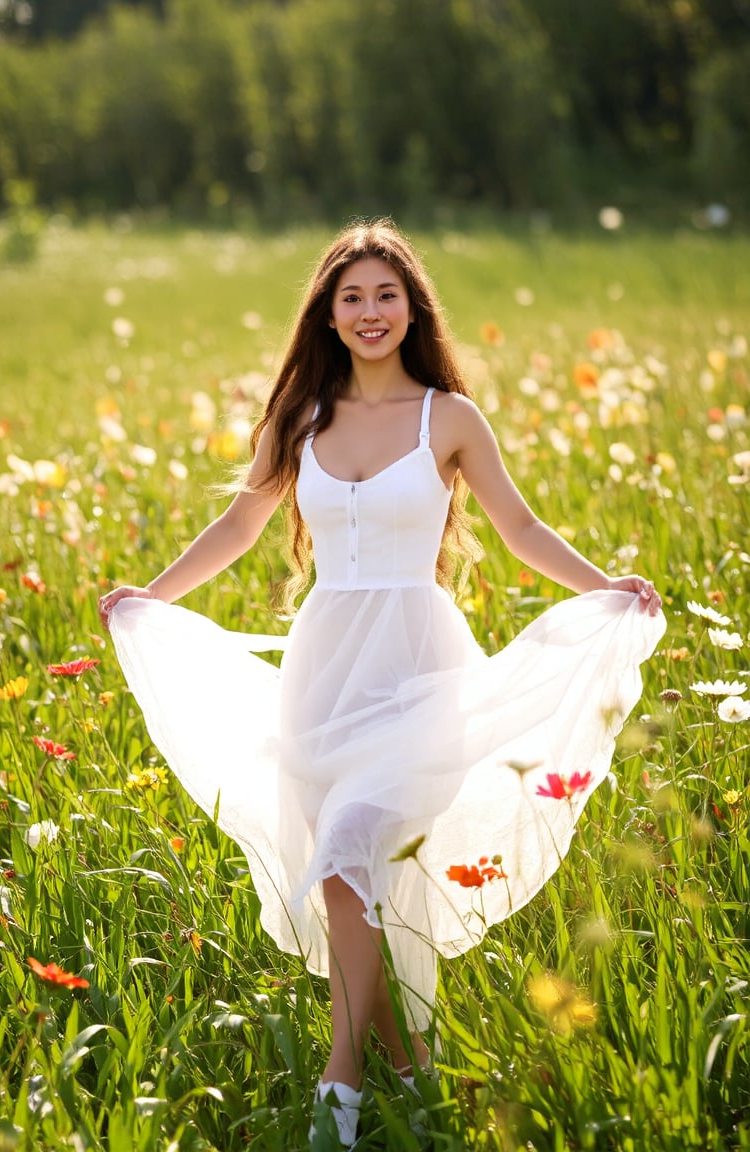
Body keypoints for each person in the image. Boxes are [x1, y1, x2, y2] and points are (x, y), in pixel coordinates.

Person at [99, 219, 664, 1148]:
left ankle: (341, 1081)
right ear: (328, 312)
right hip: (323, 671)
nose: (369, 312)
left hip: (420, 666)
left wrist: (607, 587)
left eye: (385, 295)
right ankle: (409, 1066)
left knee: (351, 849)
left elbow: (519, 530)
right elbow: (239, 529)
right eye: (352, 296)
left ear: (412, 308)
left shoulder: (450, 418)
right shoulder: (302, 420)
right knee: (347, 880)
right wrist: (148, 597)